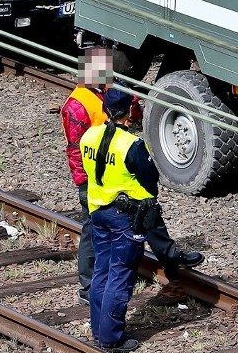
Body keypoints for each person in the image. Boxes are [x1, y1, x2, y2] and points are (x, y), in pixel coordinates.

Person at [61, 48, 203, 306]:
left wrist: (129, 99)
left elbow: (133, 115)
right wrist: (85, 184)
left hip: (119, 172)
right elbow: (75, 149)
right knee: (92, 232)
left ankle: (170, 258)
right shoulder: (76, 105)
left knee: (147, 212)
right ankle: (88, 286)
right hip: (97, 180)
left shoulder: (106, 92)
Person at [81, 88, 158, 353]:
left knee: (101, 270)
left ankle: (98, 329)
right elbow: (150, 179)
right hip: (125, 217)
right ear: (128, 113)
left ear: (105, 110)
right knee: (120, 276)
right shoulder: (131, 145)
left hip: (97, 211)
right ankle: (111, 338)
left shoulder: (89, 136)